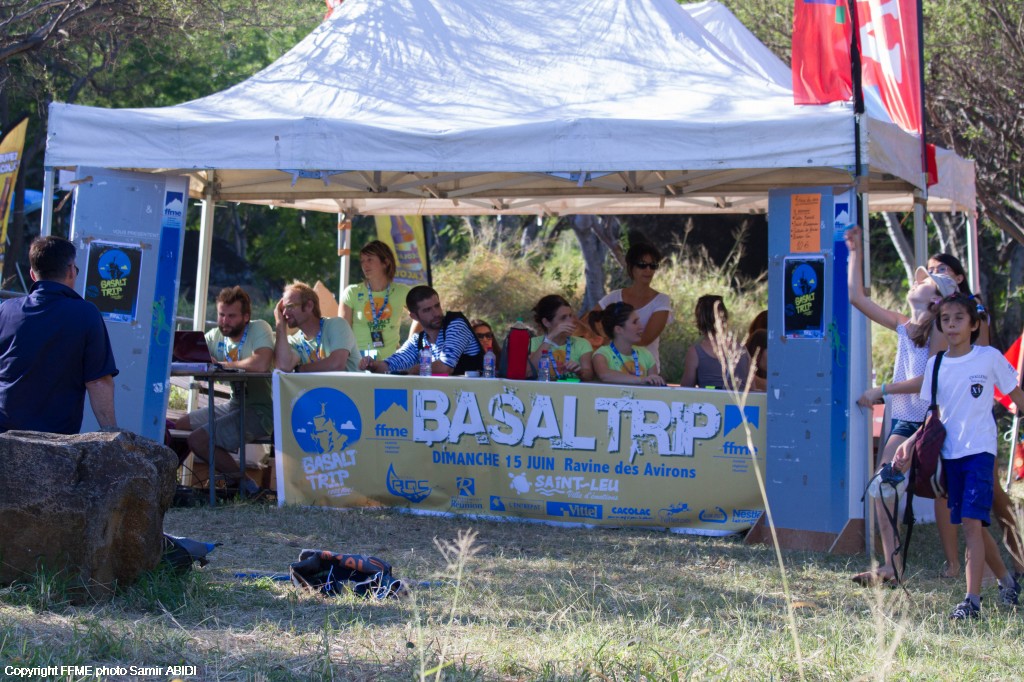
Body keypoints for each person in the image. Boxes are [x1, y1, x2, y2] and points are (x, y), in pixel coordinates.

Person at [891, 293, 1024, 619]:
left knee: (971, 526)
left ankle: (971, 602)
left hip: (980, 454)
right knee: (971, 523)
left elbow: (1017, 396)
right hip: (948, 457)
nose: (951, 325)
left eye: (958, 318)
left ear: (974, 324)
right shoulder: (935, 364)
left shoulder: (989, 358)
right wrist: (909, 444)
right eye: (945, 319)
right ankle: (1007, 583)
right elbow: (932, 415)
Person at [844, 224, 958, 586]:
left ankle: (983, 572)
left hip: (928, 421)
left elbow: (927, 382)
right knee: (883, 487)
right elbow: (856, 298)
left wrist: (881, 390)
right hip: (906, 421)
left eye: (926, 281)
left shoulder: (938, 330)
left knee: (940, 494)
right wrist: (855, 253)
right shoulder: (904, 324)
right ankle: (891, 567)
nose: (917, 281)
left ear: (936, 300)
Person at [0, 236, 117, 434]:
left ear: (32, 274)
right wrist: (112, 434)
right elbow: (98, 381)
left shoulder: (6, 310)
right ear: (71, 270)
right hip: (55, 441)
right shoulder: (86, 314)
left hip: (4, 434)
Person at [175, 286, 273, 494]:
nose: (225, 321)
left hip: (262, 410)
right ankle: (170, 480)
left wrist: (220, 365)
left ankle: (247, 486)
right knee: (180, 425)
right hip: (234, 405)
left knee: (198, 440)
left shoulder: (259, 328)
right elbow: (189, 357)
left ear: (246, 317)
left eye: (231, 316)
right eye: (221, 315)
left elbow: (261, 363)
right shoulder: (214, 336)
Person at [359, 285, 483, 376]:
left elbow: (445, 367)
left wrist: (413, 370)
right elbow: (391, 365)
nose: (436, 313)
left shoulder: (456, 324)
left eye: (437, 306)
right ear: (414, 316)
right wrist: (373, 365)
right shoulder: (417, 341)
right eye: (427, 310)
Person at [593, 243, 673, 372]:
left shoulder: (662, 300)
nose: (648, 270)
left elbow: (645, 340)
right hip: (613, 369)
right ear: (631, 267)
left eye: (653, 265)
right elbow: (591, 322)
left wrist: (607, 340)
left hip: (646, 371)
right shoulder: (614, 296)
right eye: (642, 265)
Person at [341, 240, 416, 359]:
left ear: (385, 262)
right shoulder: (352, 292)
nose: (365, 265)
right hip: (359, 362)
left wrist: (409, 346)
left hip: (391, 362)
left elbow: (422, 317)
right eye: (362, 261)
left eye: (370, 260)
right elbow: (343, 333)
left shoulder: (402, 291)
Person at [275, 280, 360, 372]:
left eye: (290, 306)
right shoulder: (294, 341)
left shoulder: (337, 325)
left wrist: (300, 369)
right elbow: (284, 367)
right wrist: (279, 324)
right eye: (283, 309)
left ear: (309, 305)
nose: (284, 313)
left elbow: (336, 365)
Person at [679, 295, 751, 391]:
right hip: (740, 401)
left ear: (699, 320)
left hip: (710, 400)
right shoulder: (743, 349)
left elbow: (685, 389)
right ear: (725, 316)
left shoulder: (695, 352)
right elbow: (752, 388)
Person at [588, 302, 665, 386]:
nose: (641, 326)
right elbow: (605, 375)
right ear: (618, 329)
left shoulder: (646, 354)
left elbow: (654, 386)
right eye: (635, 322)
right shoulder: (601, 355)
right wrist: (641, 380)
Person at [529, 294, 594, 381]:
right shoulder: (533, 342)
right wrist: (551, 337)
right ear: (546, 322)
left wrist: (579, 371)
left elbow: (589, 376)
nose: (571, 321)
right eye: (563, 318)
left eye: (570, 316)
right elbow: (530, 370)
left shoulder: (582, 343)